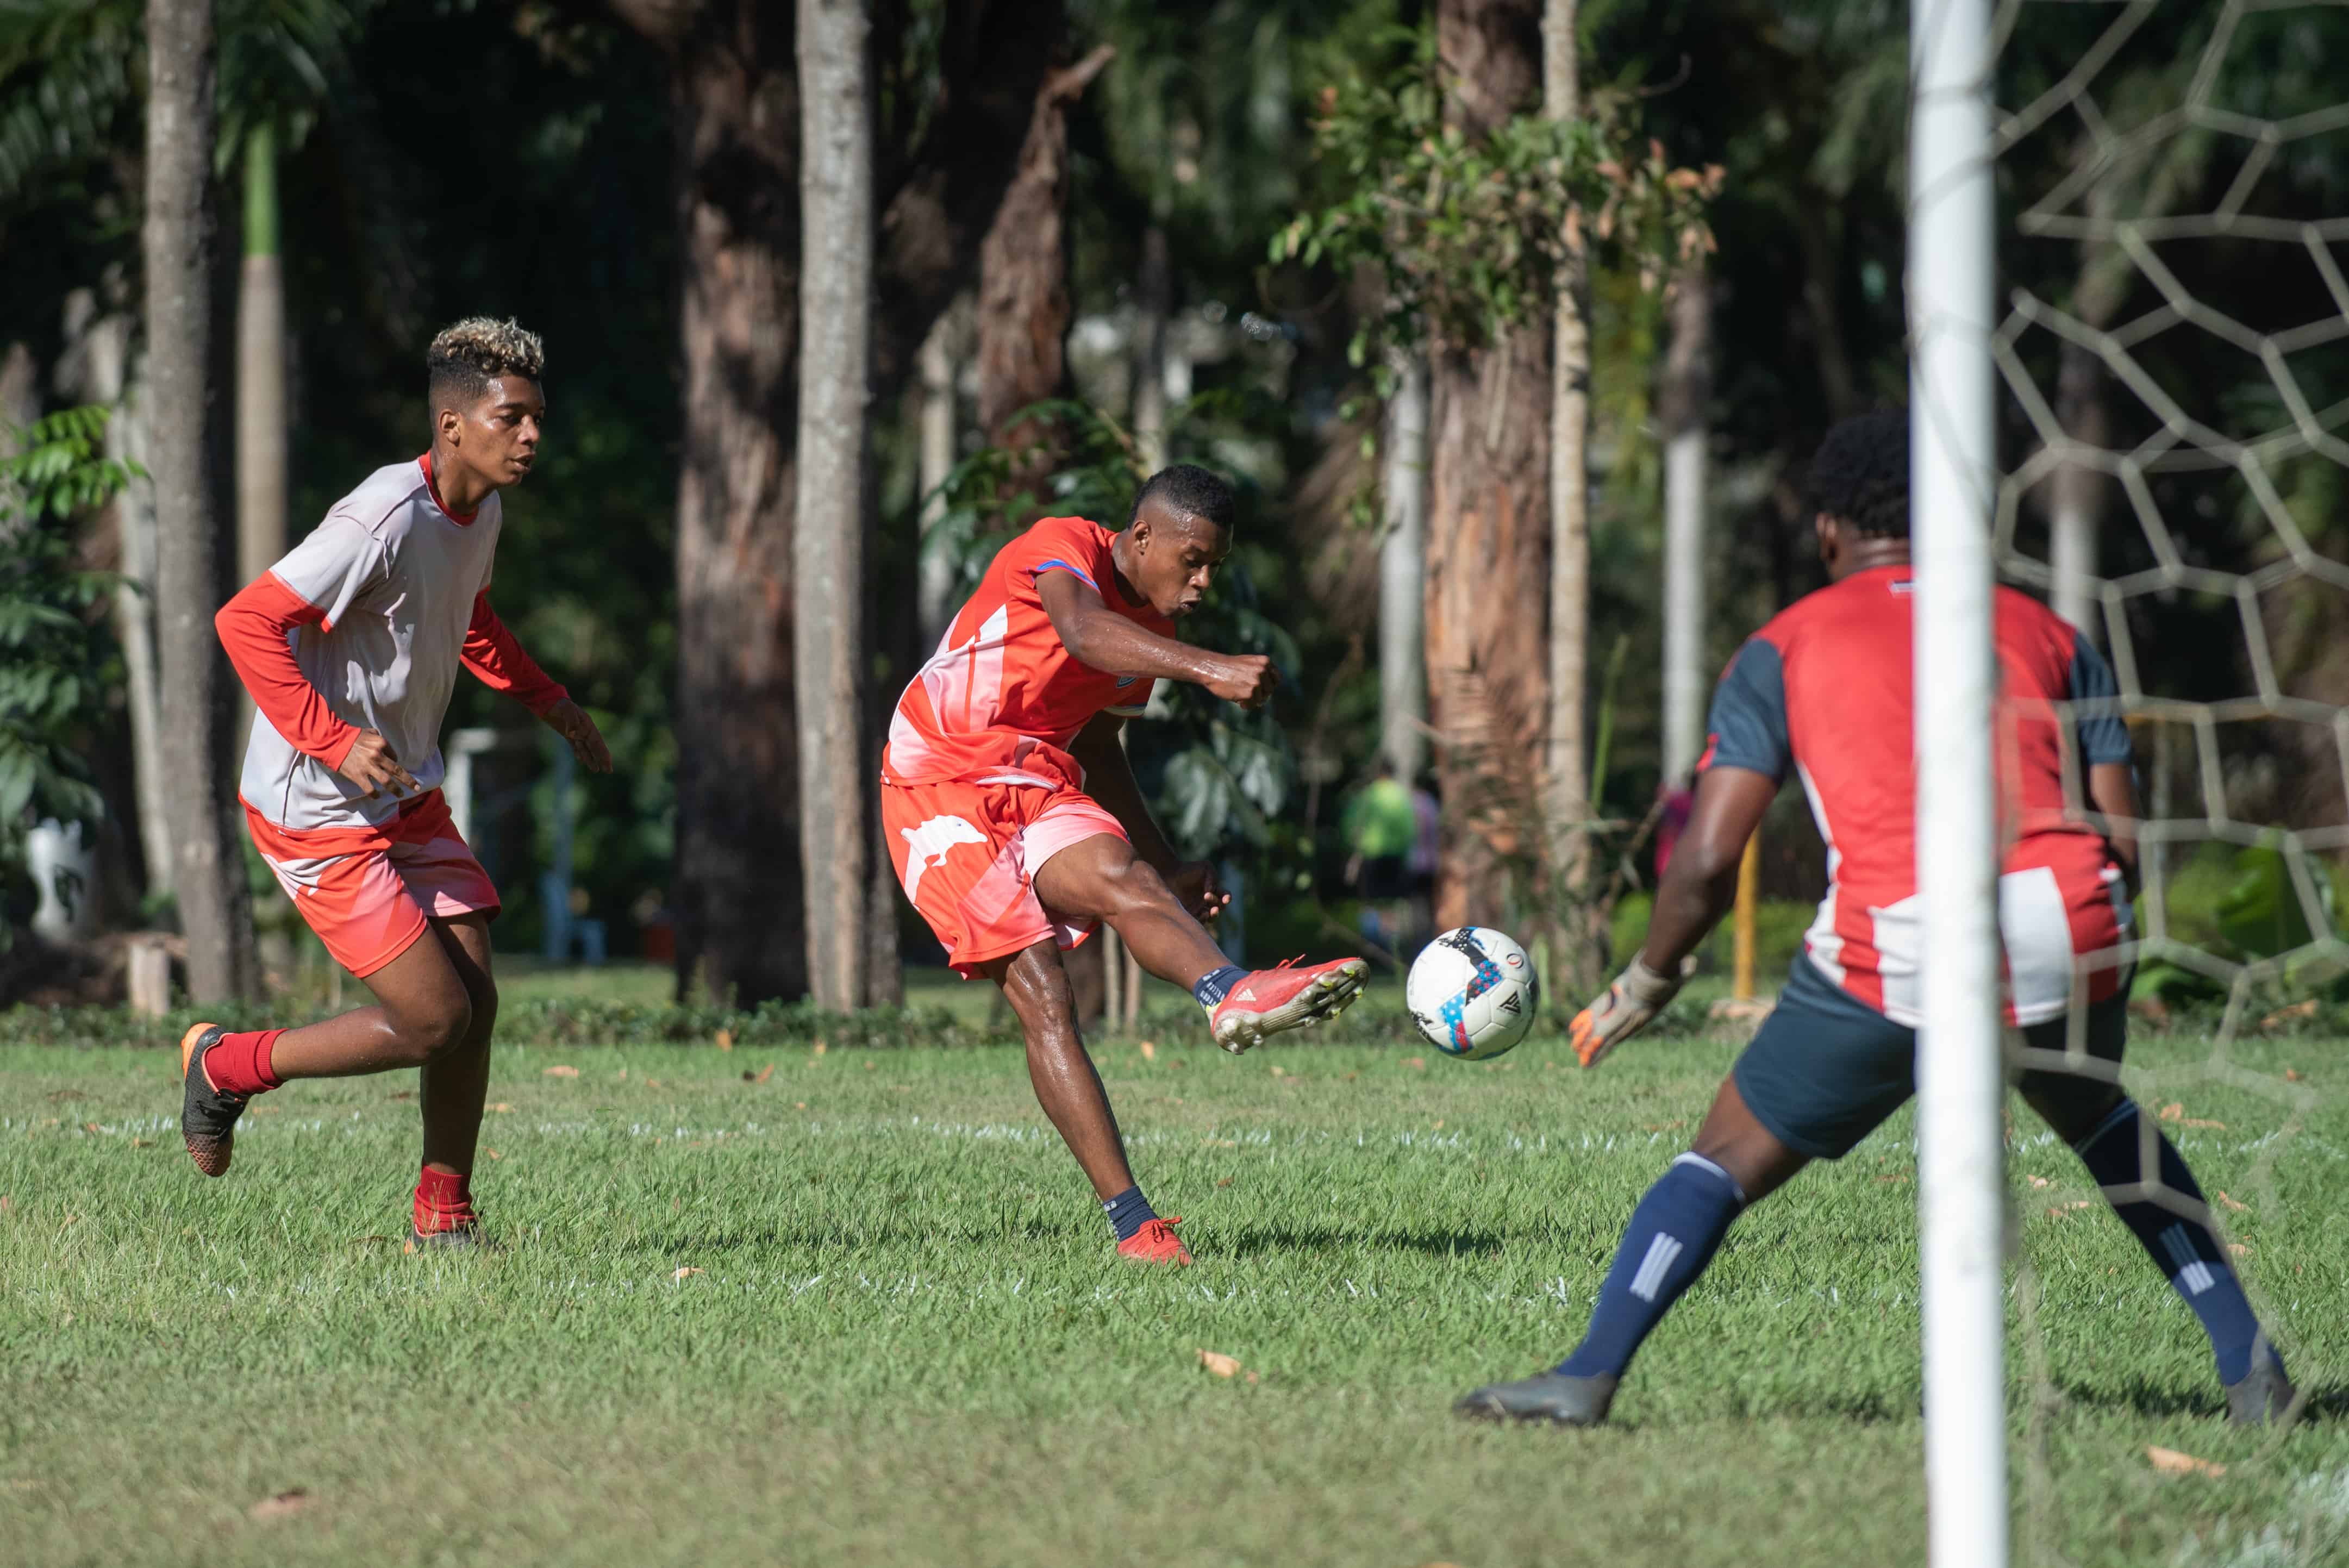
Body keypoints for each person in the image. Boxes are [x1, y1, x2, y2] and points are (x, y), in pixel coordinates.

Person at [1457, 411, 2294, 1428]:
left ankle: (1584, 1377)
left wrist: (1650, 977)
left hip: (1903, 934)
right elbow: (2119, 832)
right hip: (2071, 915)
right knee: (2103, 1121)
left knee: (1720, 1159)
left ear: (1825, 532)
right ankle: (2250, 1366)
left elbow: (1711, 856)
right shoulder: (2049, 632)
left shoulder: (1782, 647)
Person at [179, 318, 610, 1251]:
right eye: (513, 418)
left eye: (538, 418)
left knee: (477, 1003)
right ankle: (228, 1066)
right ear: (454, 425)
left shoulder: (481, 511)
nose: (532, 436)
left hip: (402, 788)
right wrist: (334, 743)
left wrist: (554, 704)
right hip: (317, 804)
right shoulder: (378, 516)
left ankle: (445, 1219)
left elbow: (471, 619)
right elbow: (246, 620)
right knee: (430, 1019)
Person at [881, 464, 1367, 1265]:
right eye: (1193, 559)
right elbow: (1081, 632)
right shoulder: (1061, 546)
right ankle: (1134, 1225)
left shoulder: (1155, 635)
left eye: (1215, 564)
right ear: (1140, 538)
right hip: (937, 777)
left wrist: (1165, 863)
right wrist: (1213, 669)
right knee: (1044, 994)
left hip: (1033, 773)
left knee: (1124, 877)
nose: (1204, 580)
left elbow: (1100, 743)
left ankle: (1228, 992)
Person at [1342, 760, 1416, 954]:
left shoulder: (1367, 795)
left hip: (1371, 855)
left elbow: (1350, 825)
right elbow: (1409, 828)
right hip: (1395, 855)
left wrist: (1356, 846)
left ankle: (1371, 948)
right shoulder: (1400, 796)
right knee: (1391, 905)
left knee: (1370, 902)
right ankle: (1391, 948)